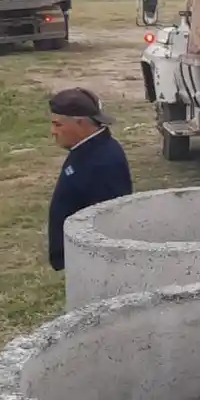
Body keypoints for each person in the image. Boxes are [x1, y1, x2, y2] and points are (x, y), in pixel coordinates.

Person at [46, 88, 133, 272]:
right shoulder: (85, 150)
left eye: (58, 125)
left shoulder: (103, 162)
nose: (53, 131)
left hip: (92, 265)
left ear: (80, 123)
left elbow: (109, 221)